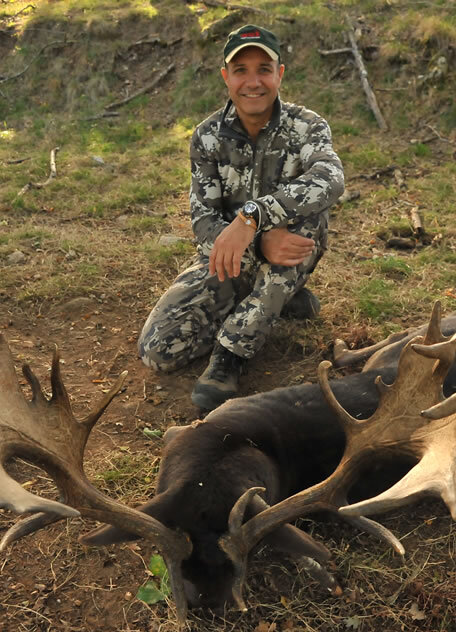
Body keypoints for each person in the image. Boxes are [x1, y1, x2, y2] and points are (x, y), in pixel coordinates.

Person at [138, 24, 345, 411]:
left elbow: (330, 179)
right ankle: (280, 302)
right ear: (226, 77)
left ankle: (231, 352)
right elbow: (203, 223)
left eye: (264, 69)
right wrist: (257, 241)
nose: (254, 82)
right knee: (157, 351)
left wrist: (254, 216)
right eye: (241, 70)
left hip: (291, 248)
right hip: (237, 257)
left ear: (280, 74)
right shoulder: (206, 137)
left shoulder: (307, 127)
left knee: (304, 215)